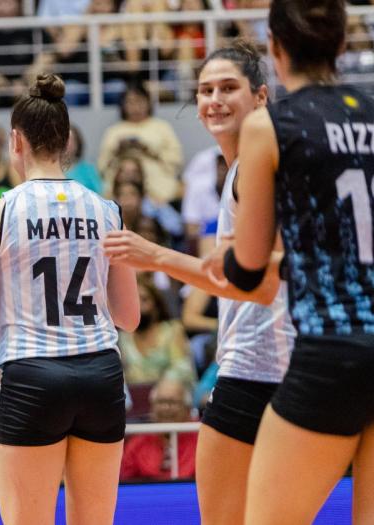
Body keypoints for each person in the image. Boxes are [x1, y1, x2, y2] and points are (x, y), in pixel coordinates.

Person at [102, 41, 296, 525]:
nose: (214, 99)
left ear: (261, 96)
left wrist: (156, 256)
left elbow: (256, 283)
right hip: (271, 366)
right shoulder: (242, 169)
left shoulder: (254, 167)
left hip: (263, 369)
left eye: (229, 88)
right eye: (205, 89)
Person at [202, 1, 374, 522]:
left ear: (274, 49)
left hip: (330, 350)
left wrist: (211, 263)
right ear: (342, 45)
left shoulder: (270, 125)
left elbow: (250, 269)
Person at [0, 74, 140, 525]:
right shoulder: (107, 209)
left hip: (34, 374)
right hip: (100, 373)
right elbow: (129, 317)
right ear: (67, 141)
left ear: (16, 141)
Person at [119, 378, 198, 481]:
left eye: (172, 403)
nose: (166, 408)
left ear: (188, 409)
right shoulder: (138, 443)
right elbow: (124, 484)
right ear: (151, 408)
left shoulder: (201, 440)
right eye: (160, 402)